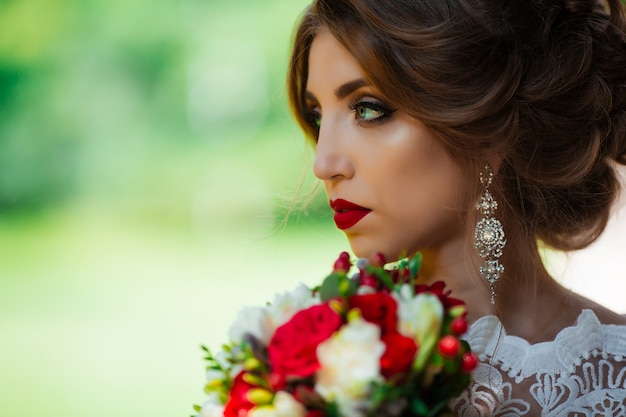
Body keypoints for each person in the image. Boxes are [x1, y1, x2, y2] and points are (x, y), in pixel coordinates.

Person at [287, 0, 626, 414]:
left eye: (368, 109)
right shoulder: (310, 363)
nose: (324, 164)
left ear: (490, 129)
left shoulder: (613, 379)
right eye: (317, 116)